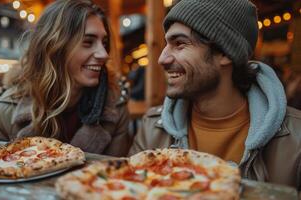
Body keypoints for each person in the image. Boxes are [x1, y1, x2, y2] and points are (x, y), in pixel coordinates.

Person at [129, 0, 301, 190]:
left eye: (179, 44)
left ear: (225, 53)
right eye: (166, 44)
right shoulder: (152, 128)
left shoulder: (295, 139)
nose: (162, 58)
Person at [0, 0, 131, 157]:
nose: (104, 54)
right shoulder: (7, 111)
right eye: (88, 42)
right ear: (55, 48)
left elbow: (115, 174)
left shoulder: (115, 107)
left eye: (104, 43)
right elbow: (0, 173)